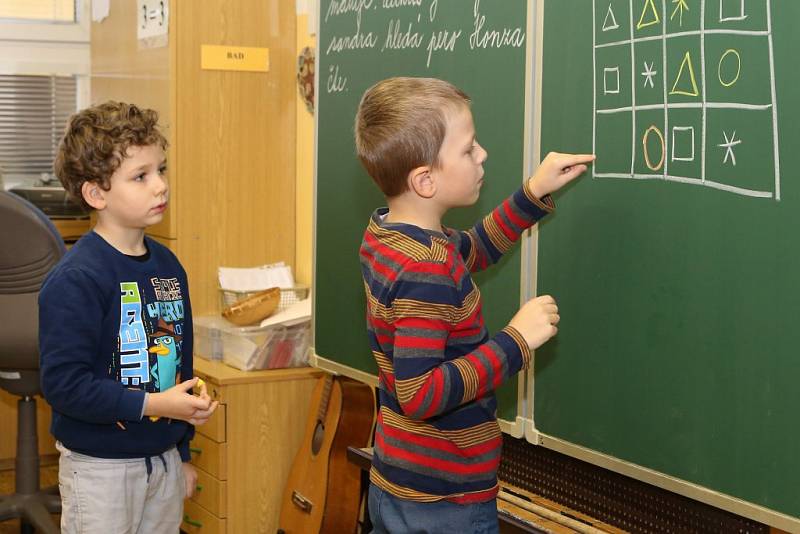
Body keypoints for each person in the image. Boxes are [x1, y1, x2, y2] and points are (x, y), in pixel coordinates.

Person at [355, 77, 594, 533]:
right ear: (425, 179)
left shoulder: (391, 236)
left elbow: (475, 249)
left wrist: (531, 194)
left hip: (400, 482)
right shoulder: (425, 268)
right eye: (468, 150)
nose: (482, 154)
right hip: (443, 501)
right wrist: (515, 341)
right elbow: (420, 393)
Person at [39, 101, 218, 534]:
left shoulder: (169, 266)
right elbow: (65, 386)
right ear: (96, 194)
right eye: (141, 176)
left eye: (161, 169)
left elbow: (179, 365)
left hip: (162, 465)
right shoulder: (76, 279)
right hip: (100, 472)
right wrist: (155, 405)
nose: (161, 186)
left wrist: (183, 455)